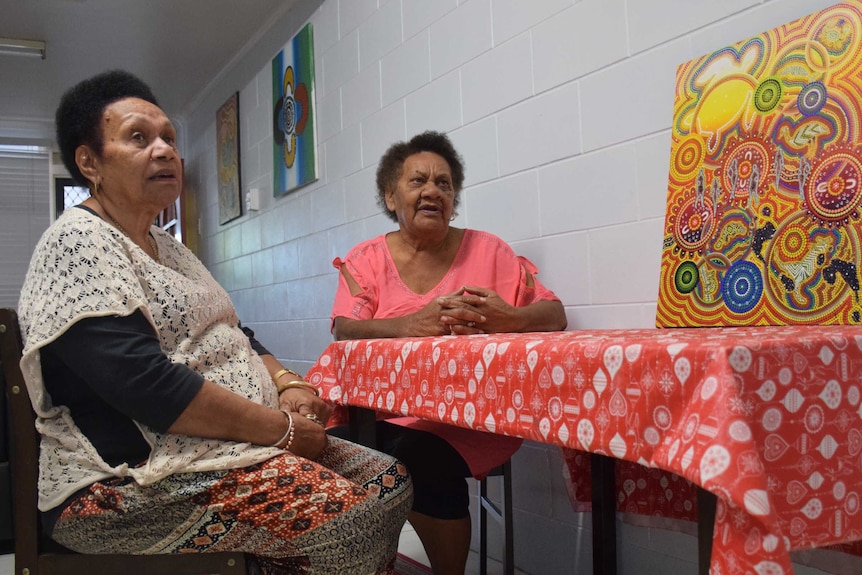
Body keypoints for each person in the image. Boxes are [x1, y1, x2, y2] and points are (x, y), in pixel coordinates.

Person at [17, 70, 412, 575]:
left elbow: (234, 332)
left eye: (169, 139)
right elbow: (146, 386)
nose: (164, 151)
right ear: (88, 161)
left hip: (224, 452)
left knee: (389, 481)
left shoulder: (171, 249)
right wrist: (284, 431)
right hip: (125, 483)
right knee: (350, 519)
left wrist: (286, 383)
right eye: (139, 137)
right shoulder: (77, 245)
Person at [329, 131, 567, 575]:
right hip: (377, 415)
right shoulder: (366, 261)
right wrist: (408, 325)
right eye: (418, 181)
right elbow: (345, 328)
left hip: (475, 418)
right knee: (335, 451)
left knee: (418, 455)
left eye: (444, 183)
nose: (433, 191)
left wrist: (507, 318)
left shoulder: (491, 251)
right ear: (390, 194)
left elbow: (554, 313)